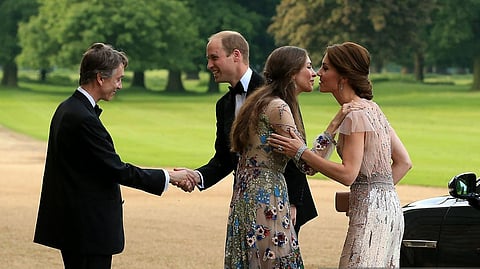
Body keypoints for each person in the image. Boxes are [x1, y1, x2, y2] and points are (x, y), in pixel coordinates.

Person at [33, 43, 193, 269]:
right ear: (100, 78)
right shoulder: (82, 118)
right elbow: (117, 169)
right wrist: (170, 177)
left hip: (76, 227)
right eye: (118, 79)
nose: (120, 85)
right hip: (87, 230)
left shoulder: (68, 108)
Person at [268, 42, 412, 268]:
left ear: (343, 76)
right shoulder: (372, 109)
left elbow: (348, 175)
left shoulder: (355, 116)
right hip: (390, 209)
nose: (318, 73)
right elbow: (404, 163)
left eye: (325, 68)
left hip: (371, 215)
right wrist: (374, 193)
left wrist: (300, 151)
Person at [175, 30, 317, 234]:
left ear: (236, 55)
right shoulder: (223, 105)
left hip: (281, 201)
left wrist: (293, 202)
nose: (209, 65)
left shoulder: (274, 93)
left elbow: (293, 148)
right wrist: (196, 176)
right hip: (245, 199)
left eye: (214, 58)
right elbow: (224, 158)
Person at [222, 45, 318, 268]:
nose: (313, 73)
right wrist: (333, 129)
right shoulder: (279, 107)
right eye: (309, 66)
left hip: (247, 193)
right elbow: (307, 164)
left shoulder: (260, 101)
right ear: (292, 72)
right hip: (266, 195)